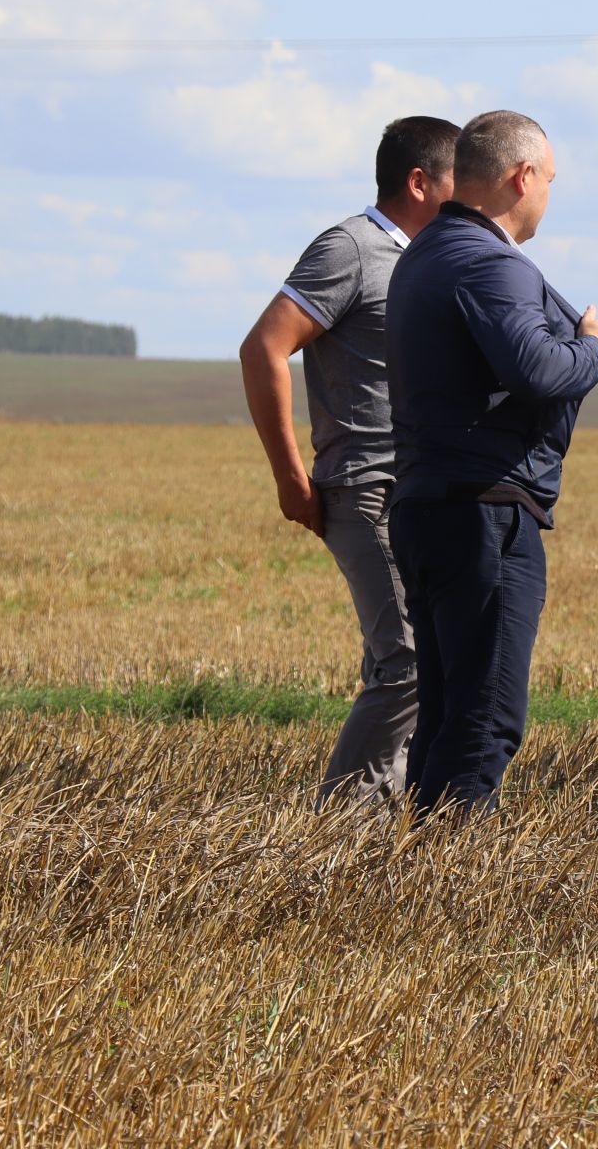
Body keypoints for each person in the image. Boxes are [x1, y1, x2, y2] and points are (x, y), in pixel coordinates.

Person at [384, 110, 598, 815]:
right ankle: (452, 891)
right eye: (549, 179)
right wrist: (597, 350)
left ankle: (418, 874)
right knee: (485, 717)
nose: (549, 192)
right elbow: (537, 369)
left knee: (448, 711)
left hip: (430, 504)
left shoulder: (427, 252)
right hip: (483, 513)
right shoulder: (490, 263)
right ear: (522, 177)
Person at [240, 115, 459, 806]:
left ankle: (380, 824)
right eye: (461, 181)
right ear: (420, 182)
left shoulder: (433, 259)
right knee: (409, 665)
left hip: (420, 492)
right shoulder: (352, 250)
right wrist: (291, 478)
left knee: (422, 664)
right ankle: (336, 833)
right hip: (366, 488)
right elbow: (264, 348)